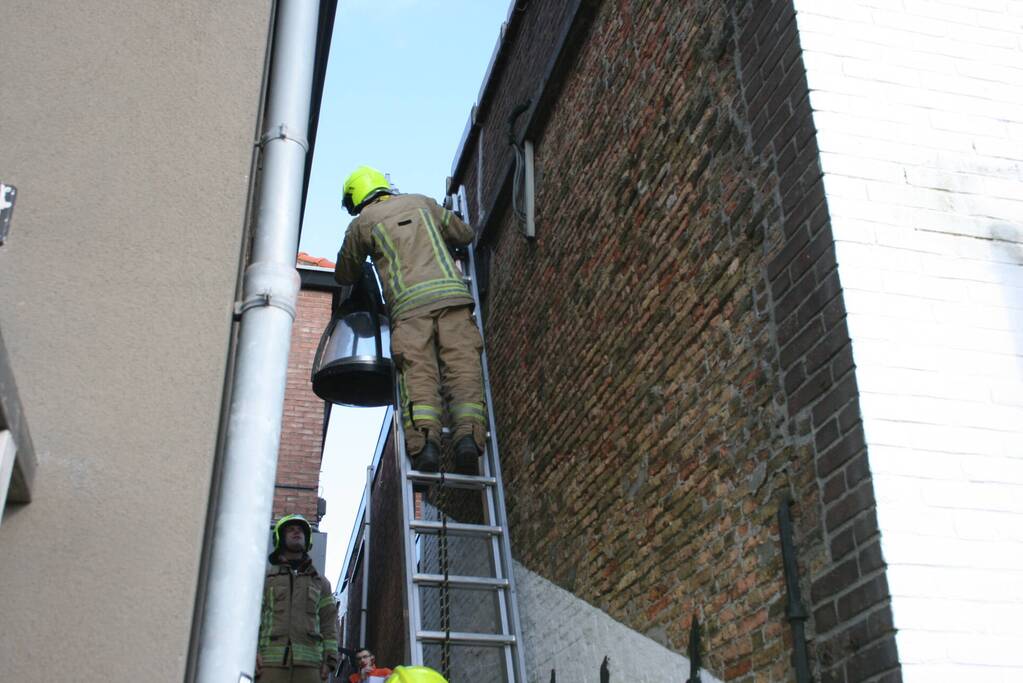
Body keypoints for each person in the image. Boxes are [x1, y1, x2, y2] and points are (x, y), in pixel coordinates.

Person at [335, 165, 486, 475]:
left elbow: (345, 273)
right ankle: (468, 440)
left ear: (356, 197)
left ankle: (426, 444)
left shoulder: (362, 224)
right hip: (453, 299)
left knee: (417, 373)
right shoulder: (423, 203)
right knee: (463, 368)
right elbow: (465, 234)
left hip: (409, 309)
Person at [255, 514, 340, 682]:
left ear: (307, 539)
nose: (297, 532)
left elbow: (329, 624)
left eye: (301, 530)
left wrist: (329, 660)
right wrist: (251, 651)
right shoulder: (264, 580)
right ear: (280, 537)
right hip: (269, 665)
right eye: (291, 529)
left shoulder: (321, 583)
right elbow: (250, 620)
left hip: (310, 668)